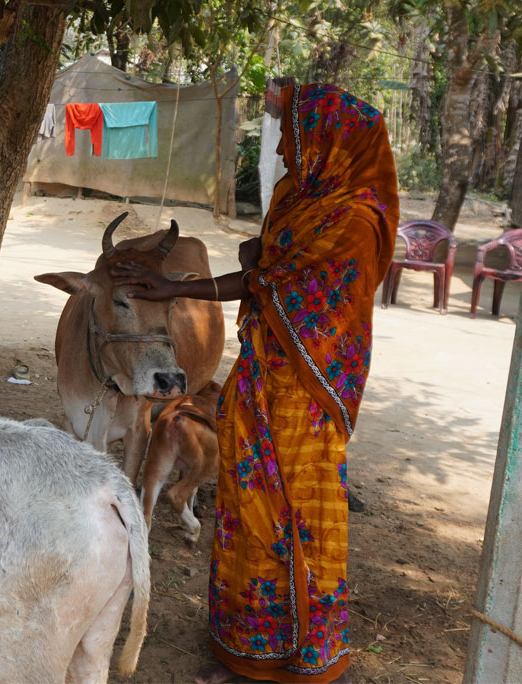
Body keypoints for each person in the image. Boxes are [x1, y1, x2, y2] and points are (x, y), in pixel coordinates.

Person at [110, 83, 399, 684]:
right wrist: (185, 285)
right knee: (247, 510)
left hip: (307, 395)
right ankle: (249, 650)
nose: (288, 157)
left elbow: (282, 284)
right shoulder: (300, 195)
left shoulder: (355, 219)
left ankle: (308, 655)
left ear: (329, 142)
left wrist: (222, 278)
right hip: (259, 376)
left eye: (295, 140)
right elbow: (266, 273)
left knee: (300, 517)